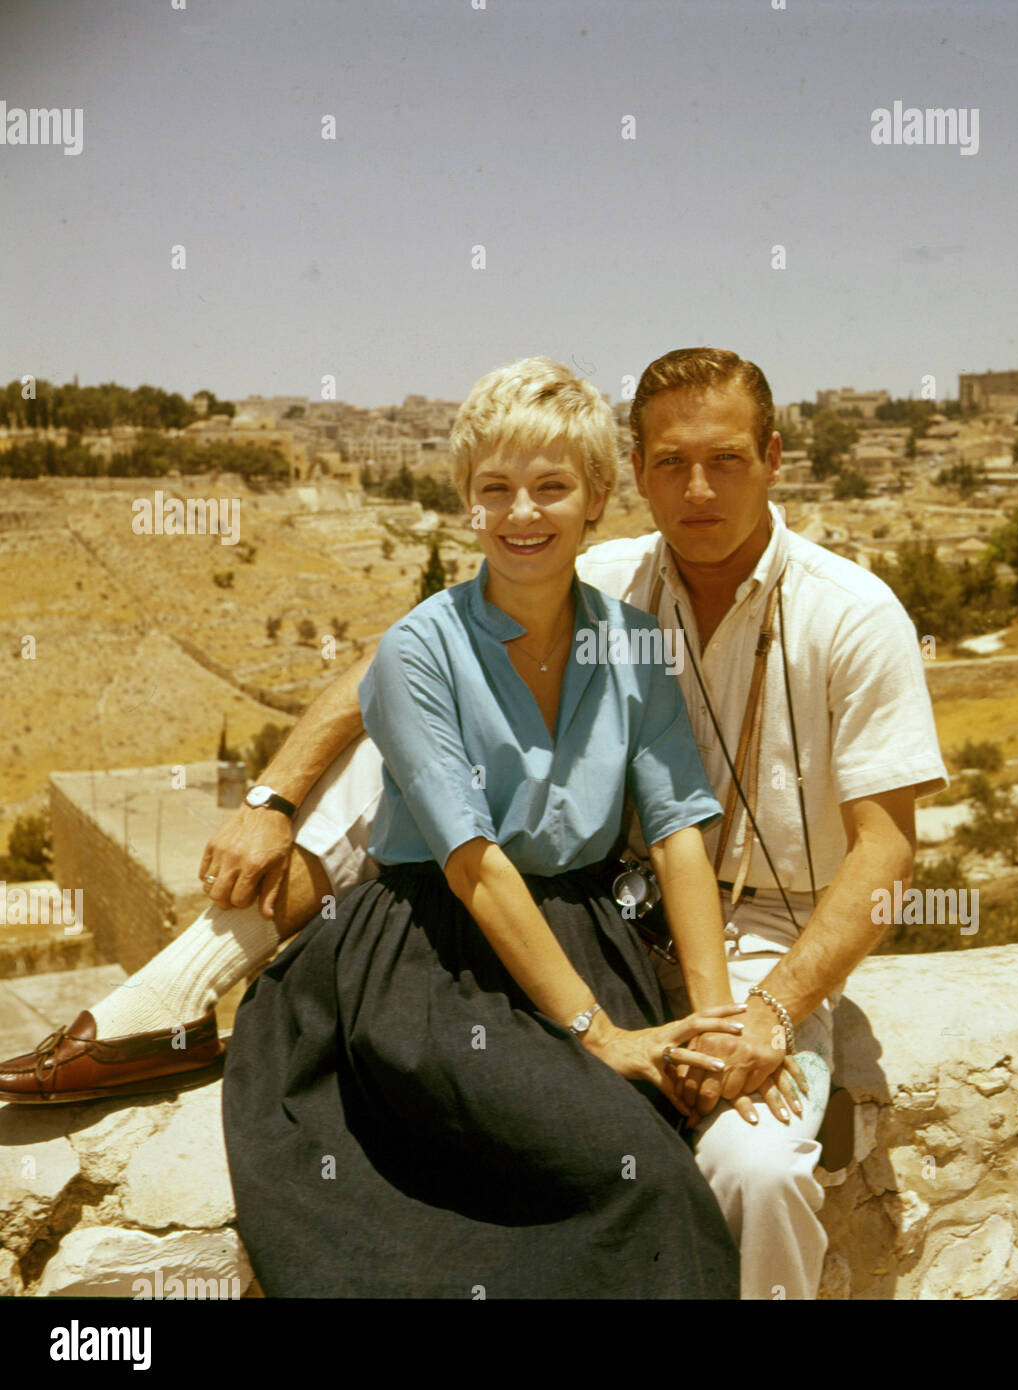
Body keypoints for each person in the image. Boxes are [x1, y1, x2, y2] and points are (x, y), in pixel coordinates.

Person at [1, 347, 947, 1300]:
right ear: (638, 476)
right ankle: (185, 982)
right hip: (539, 932)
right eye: (671, 463)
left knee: (754, 1169)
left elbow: (873, 854)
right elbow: (397, 668)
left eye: (727, 460)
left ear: (774, 457)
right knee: (411, 726)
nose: (697, 488)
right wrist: (271, 797)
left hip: (740, 944)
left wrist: (754, 1014)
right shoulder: (602, 568)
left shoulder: (841, 618)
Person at [226, 358, 745, 1297]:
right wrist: (602, 1036)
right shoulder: (419, 650)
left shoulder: (632, 644)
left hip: (590, 941)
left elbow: (678, 833)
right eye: (494, 489)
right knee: (644, 1182)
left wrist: (710, 1021)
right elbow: (473, 864)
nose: (522, 515)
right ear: (466, 502)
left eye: (551, 487)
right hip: (436, 964)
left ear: (596, 498)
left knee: (663, 1157)